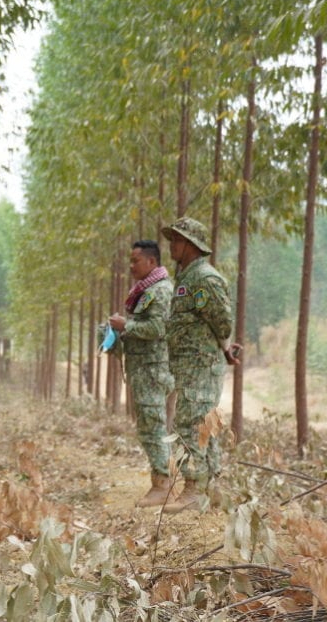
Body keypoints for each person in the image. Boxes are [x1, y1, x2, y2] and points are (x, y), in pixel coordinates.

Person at [160, 217, 239, 514]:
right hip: (189, 367)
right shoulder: (186, 277)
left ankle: (194, 488)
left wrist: (221, 349)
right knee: (203, 425)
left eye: (177, 240)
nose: (172, 245)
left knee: (189, 425)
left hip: (201, 366)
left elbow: (222, 322)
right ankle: (211, 487)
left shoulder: (204, 279)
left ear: (191, 245)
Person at [107, 240, 175, 508]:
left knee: (153, 428)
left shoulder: (160, 291)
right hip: (143, 370)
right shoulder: (145, 291)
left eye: (136, 261)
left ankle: (162, 485)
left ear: (151, 262)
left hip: (153, 370)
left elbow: (159, 328)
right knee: (149, 427)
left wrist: (127, 325)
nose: (131, 266)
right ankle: (162, 480)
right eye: (131, 260)